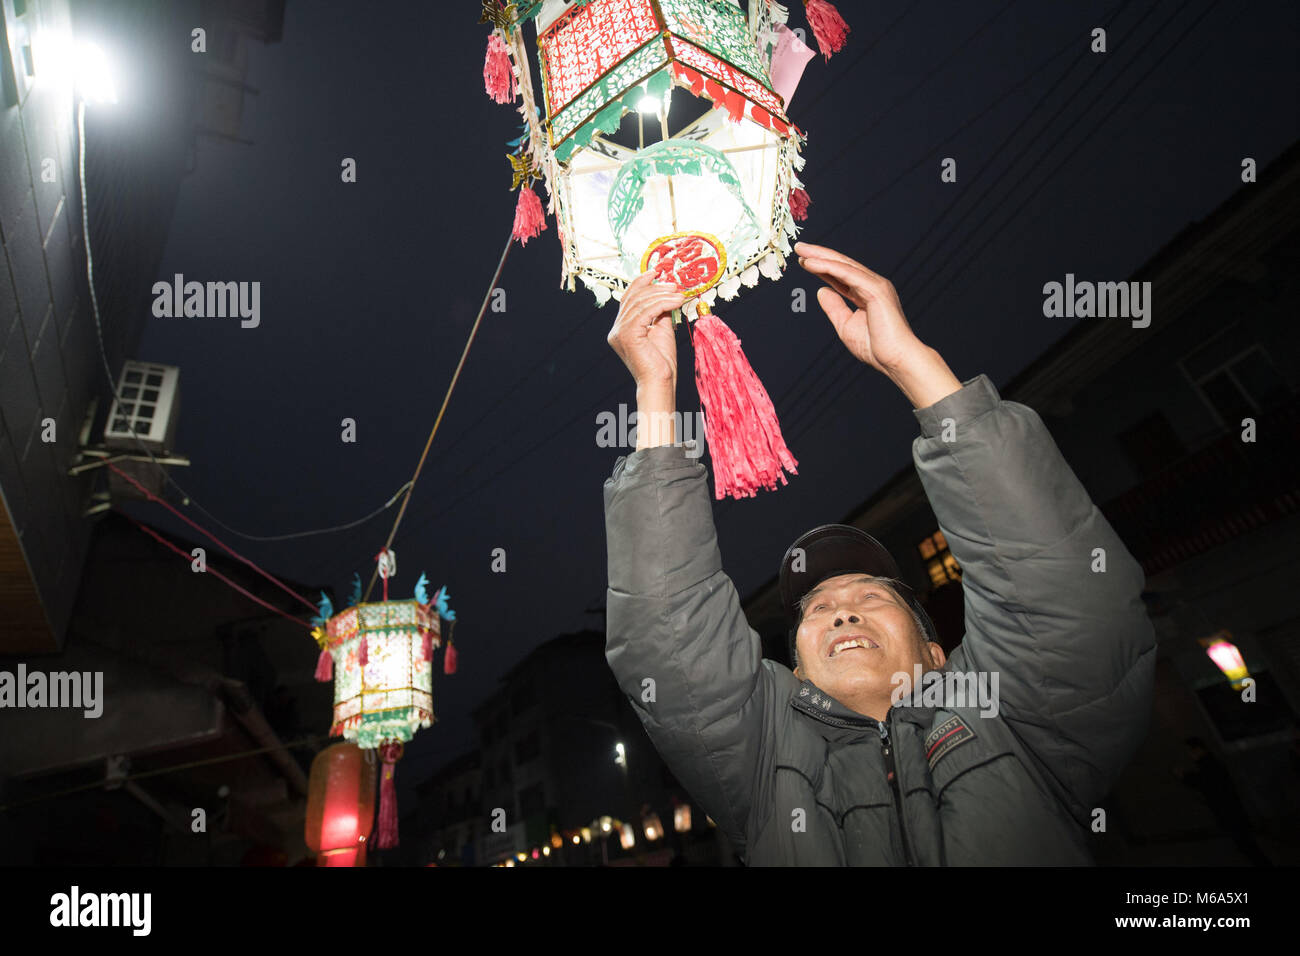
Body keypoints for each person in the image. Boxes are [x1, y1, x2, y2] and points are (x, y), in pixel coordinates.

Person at [601, 241, 1157, 865]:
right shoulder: (760, 765)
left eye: (870, 596)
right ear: (797, 676)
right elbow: (670, 640)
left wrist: (912, 362)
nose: (841, 611)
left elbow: (1061, 594)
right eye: (817, 609)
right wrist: (656, 390)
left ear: (937, 653)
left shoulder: (1022, 724)